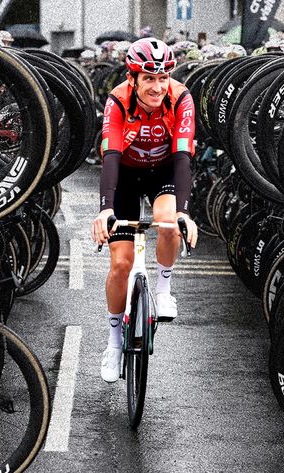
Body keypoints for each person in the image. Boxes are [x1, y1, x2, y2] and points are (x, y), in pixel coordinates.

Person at [91, 38, 198, 383]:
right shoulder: (117, 101)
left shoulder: (181, 98)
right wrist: (106, 208)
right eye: (148, 78)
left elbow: (183, 156)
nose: (156, 85)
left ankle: (164, 289)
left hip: (164, 172)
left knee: (167, 223)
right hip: (124, 175)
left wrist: (183, 212)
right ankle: (113, 341)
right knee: (121, 264)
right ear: (133, 77)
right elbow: (110, 157)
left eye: (162, 77)